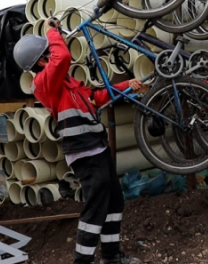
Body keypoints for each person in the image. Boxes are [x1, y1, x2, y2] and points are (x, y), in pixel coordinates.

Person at [13, 19, 143, 264]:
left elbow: (95, 97)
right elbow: (62, 57)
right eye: (47, 53)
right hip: (83, 152)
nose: (53, 54)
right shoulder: (44, 83)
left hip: (98, 146)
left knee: (114, 200)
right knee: (96, 204)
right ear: (41, 61)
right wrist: (52, 31)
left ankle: (111, 257)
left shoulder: (68, 83)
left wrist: (126, 86)